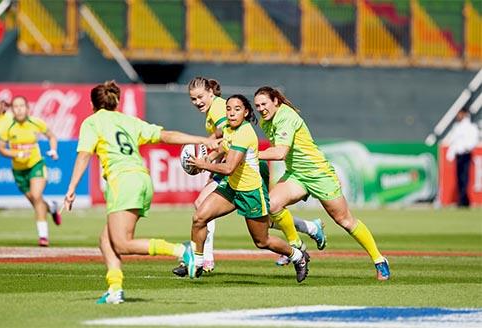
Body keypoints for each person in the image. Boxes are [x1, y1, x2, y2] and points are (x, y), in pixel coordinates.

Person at [63, 81, 221, 304]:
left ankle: (182, 250)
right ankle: (115, 289)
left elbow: (83, 155)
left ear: (92, 104)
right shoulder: (127, 120)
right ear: (115, 102)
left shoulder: (92, 122)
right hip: (142, 179)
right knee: (105, 241)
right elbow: (166, 135)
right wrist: (202, 140)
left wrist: (71, 189)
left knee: (121, 243)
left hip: (123, 181)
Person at [173, 77, 322, 276]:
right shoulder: (227, 127)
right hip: (232, 187)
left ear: (245, 112)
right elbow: (222, 145)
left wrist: (203, 164)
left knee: (262, 240)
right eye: (229, 109)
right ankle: (198, 262)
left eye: (236, 109)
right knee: (200, 217)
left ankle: (297, 255)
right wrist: (208, 157)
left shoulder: (244, 133)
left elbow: (229, 168)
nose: (231, 113)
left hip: (250, 189)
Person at [253, 86, 390, 281]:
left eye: (264, 104)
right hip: (297, 175)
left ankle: (379, 260)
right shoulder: (267, 121)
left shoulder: (286, 117)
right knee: (271, 206)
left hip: (319, 174)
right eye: (257, 106)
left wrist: (248, 154)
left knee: (345, 221)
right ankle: (299, 243)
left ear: (276, 101)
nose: (260, 108)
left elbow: (280, 153)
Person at [0, 96, 62, 247]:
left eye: (22, 106)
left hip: (36, 165)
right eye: (16, 106)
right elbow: (0, 148)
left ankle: (43, 236)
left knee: (36, 195)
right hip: (19, 171)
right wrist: (16, 154)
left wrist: (53, 150)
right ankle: (52, 207)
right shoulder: (8, 127)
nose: (19, 109)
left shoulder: (35, 123)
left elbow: (51, 136)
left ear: (27, 108)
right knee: (36, 202)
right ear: (12, 110)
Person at [445, 107, 479, 207]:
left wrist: (465, 148)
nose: (457, 116)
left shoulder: (470, 127)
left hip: (466, 154)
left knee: (464, 177)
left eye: (459, 114)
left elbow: (472, 141)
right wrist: (450, 154)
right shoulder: (457, 127)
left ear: (464, 114)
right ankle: (464, 199)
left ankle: (463, 200)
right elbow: (454, 142)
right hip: (458, 155)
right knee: (459, 177)